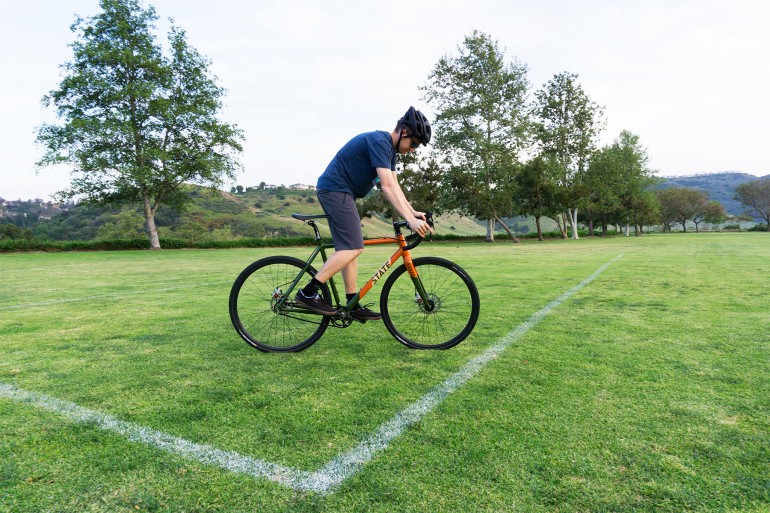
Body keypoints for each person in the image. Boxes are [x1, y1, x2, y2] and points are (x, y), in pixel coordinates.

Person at [295, 106, 435, 321]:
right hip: (336, 190)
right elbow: (386, 187)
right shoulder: (380, 142)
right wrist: (409, 220)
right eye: (414, 143)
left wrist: (412, 212)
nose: (414, 149)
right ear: (404, 132)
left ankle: (352, 304)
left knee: (349, 248)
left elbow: (395, 185)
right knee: (354, 247)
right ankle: (308, 292)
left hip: (343, 192)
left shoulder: (390, 150)